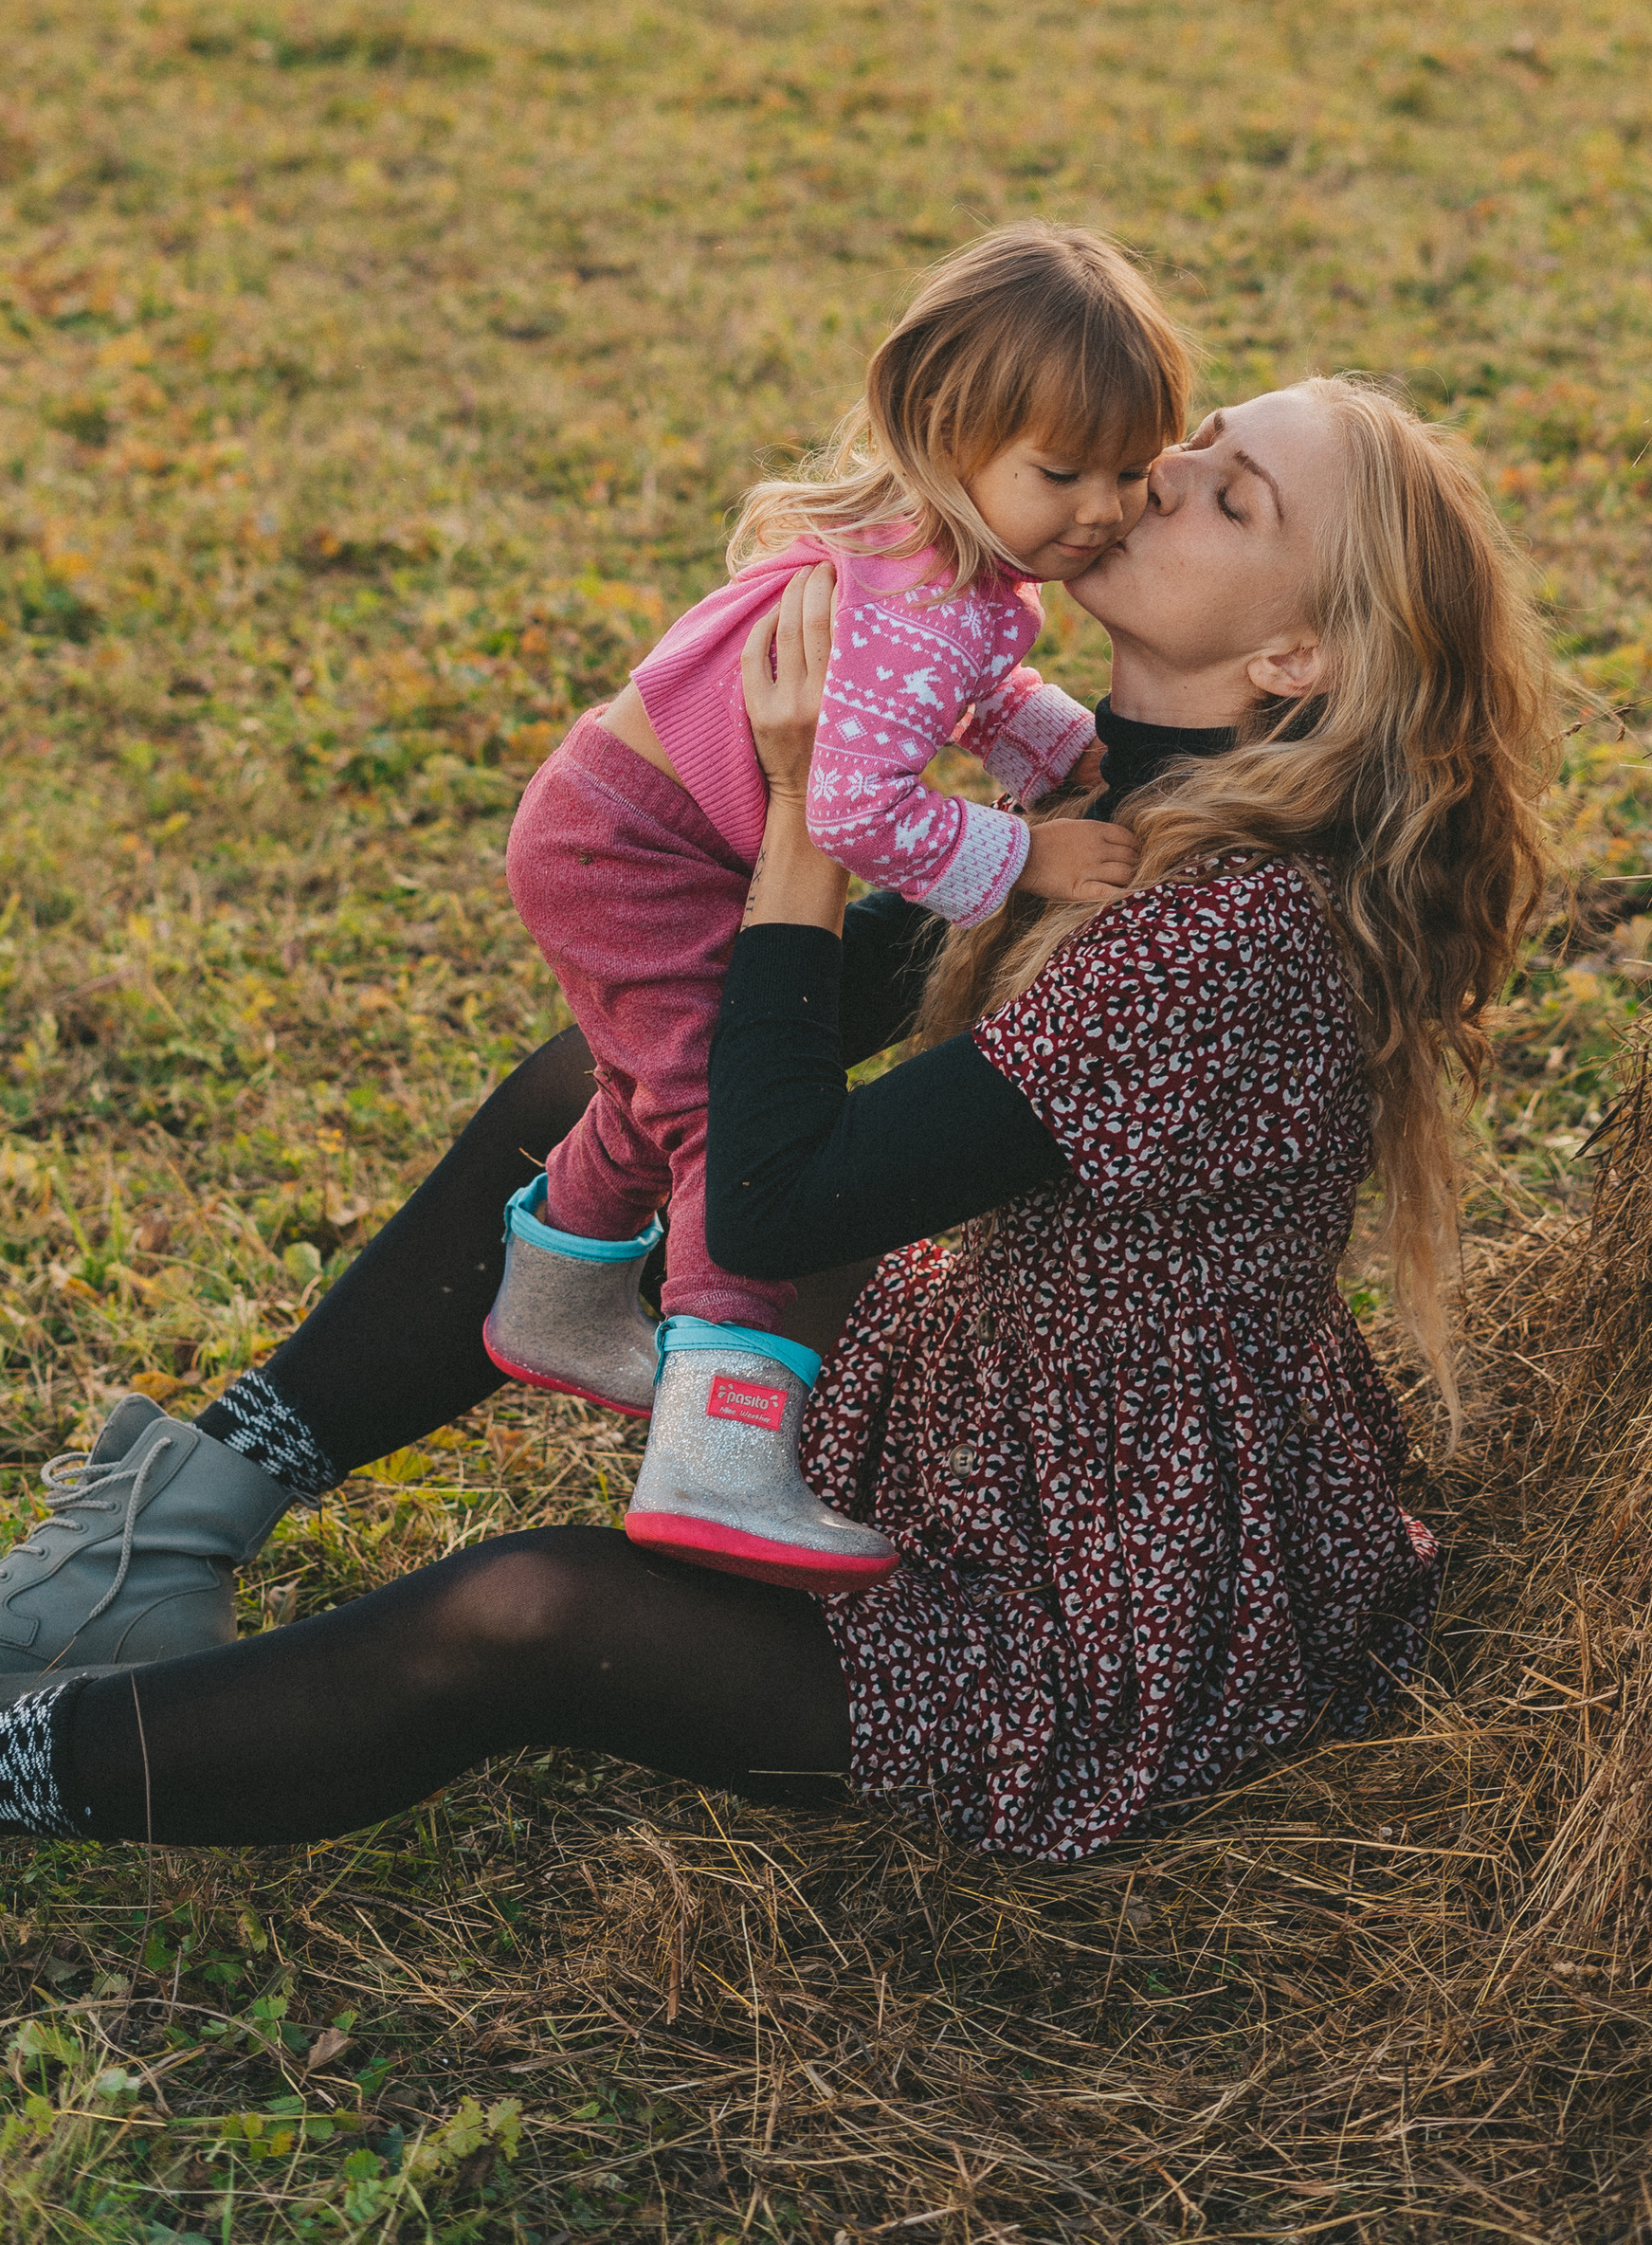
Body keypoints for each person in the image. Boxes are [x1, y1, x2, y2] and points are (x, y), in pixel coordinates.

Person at [0, 383, 1553, 1869]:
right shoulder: (1111, 794)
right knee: (612, 1069)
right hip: (982, 1408)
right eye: (1194, 440)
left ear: (1295, 659)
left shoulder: (1223, 937)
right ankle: (172, 1529)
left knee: (528, 1612)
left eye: (1232, 495)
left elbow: (771, 1205)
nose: (1158, 473)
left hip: (1092, 1579)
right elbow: (765, 1031)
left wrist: (807, 827)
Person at [483, 222, 1188, 1583]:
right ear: (946, 430)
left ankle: (559, 1296)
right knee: (712, 1117)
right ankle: (720, 1453)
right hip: (637, 846)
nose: (1102, 508)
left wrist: (1057, 749)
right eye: (1064, 472)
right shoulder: (927, 601)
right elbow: (858, 812)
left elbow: (970, 691)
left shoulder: (948, 559)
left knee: (661, 1075)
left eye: (1132, 472)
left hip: (612, 820)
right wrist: (1027, 855)